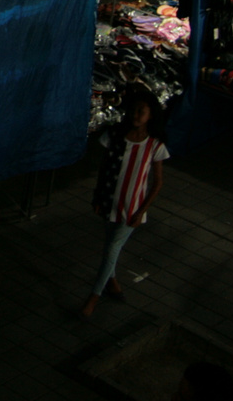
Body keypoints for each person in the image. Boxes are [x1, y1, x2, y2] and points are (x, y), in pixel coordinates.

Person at [83, 87, 169, 318]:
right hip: (110, 201)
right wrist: (98, 196)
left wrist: (143, 210)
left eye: (142, 111)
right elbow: (104, 169)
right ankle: (112, 283)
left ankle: (93, 297)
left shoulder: (154, 146)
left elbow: (157, 182)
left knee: (111, 249)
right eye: (134, 110)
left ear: (151, 115)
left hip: (131, 208)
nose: (136, 114)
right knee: (110, 246)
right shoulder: (115, 137)